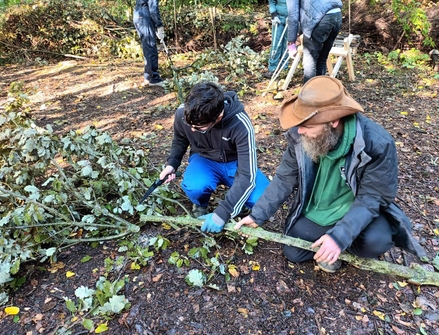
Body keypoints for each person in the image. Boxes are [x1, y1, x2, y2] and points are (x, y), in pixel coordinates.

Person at [235, 76, 426, 273]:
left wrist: (339, 237)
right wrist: (257, 215)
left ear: (333, 122)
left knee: (376, 241)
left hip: (357, 207)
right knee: (294, 252)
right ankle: (332, 240)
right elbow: (285, 177)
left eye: (308, 126)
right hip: (321, 208)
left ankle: (340, 240)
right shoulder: (301, 135)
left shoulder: (376, 144)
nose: (299, 131)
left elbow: (373, 196)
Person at [159, 82, 270, 233]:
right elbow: (180, 139)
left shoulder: (240, 124)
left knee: (263, 200)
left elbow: (246, 175)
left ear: (218, 117)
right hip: (204, 159)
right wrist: (171, 164)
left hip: (235, 164)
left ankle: (239, 202)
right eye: (189, 124)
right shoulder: (183, 114)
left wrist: (222, 214)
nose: (192, 129)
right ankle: (201, 204)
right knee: (194, 186)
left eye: (198, 128)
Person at [286, 0, 343, 84]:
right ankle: (319, 92)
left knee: (310, 61)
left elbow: (293, 14)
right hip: (336, 15)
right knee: (322, 58)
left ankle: (308, 95)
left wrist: (291, 42)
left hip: (320, 18)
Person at [133, 0, 165, 87]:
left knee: (147, 48)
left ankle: (147, 77)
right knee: (150, 47)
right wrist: (159, 25)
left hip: (139, 14)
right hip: (144, 16)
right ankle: (154, 79)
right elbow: (153, 8)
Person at [264, 0, 288, 79]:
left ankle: (284, 68)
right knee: (276, 43)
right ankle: (272, 68)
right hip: (279, 18)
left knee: (288, 44)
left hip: (291, 19)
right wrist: (274, 15)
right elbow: (272, 2)